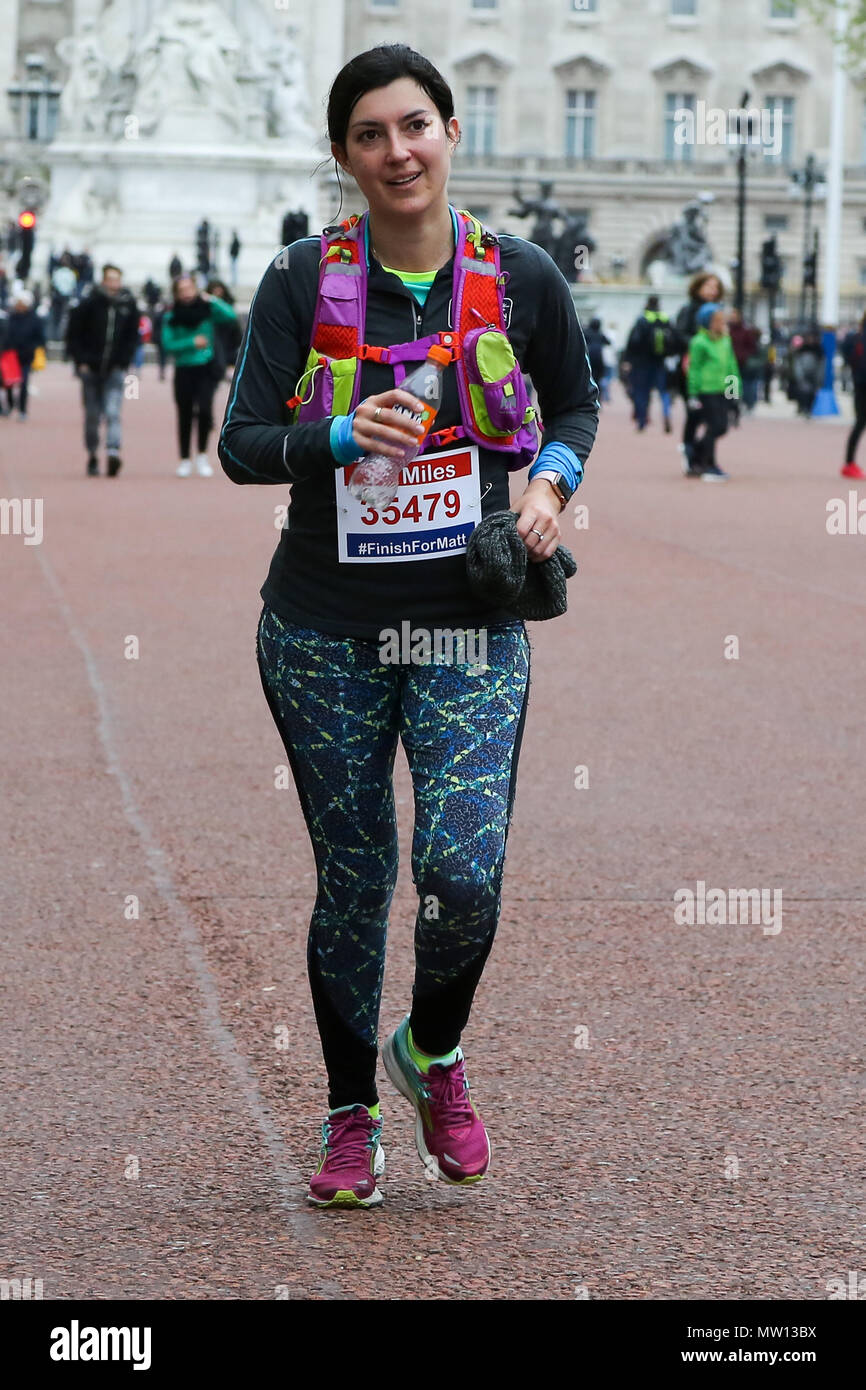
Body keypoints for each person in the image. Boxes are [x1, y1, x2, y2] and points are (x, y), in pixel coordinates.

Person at [218, 43, 599, 1209]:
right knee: (355, 876)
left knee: (462, 869)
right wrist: (334, 438)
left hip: (465, 625)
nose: (399, 150)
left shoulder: (521, 274)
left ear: (448, 133)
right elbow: (240, 446)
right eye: (372, 133)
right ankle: (348, 1113)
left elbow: (574, 403)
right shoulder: (297, 278)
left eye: (417, 124)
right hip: (324, 628)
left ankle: (430, 1050)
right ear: (343, 155)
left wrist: (545, 485)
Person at [66, 262, 140, 477]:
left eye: (117, 279)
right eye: (110, 279)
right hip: (90, 369)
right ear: (103, 281)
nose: (114, 284)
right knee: (92, 416)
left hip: (115, 369)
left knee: (113, 411)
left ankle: (113, 450)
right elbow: (73, 334)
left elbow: (132, 337)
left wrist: (124, 361)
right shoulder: (88, 304)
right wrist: (81, 361)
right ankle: (92, 454)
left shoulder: (128, 305)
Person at [162, 274, 238, 476]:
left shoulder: (207, 309)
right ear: (176, 294)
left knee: (205, 410)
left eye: (189, 288)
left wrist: (211, 299)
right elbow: (168, 344)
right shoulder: (171, 316)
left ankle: (203, 454)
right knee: (185, 413)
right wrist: (191, 343)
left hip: (205, 367)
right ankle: (185, 458)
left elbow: (230, 316)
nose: (186, 293)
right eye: (182, 290)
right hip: (184, 368)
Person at [675, 270, 725, 468]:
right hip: (692, 369)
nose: (712, 291)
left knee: (714, 419)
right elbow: (678, 335)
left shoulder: (718, 310)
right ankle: (690, 450)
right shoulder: (689, 310)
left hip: (713, 374)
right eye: (708, 286)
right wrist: (700, 344)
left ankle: (699, 452)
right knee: (695, 414)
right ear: (698, 287)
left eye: (715, 287)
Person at [685, 302, 741, 481]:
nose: (721, 322)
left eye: (721, 319)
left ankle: (696, 454)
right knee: (714, 426)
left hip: (723, 389)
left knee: (722, 427)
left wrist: (733, 392)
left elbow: (732, 367)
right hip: (706, 390)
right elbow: (694, 369)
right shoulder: (699, 342)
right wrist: (693, 394)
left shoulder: (726, 340)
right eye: (716, 319)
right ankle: (709, 465)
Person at [623, 295, 678, 432]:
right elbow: (675, 339)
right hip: (660, 362)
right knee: (663, 391)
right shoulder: (665, 319)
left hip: (642, 362)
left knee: (642, 392)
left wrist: (628, 359)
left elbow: (633, 341)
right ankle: (666, 413)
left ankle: (642, 421)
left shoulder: (642, 319)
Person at [0, 289, 45, 420]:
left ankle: (22, 409)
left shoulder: (34, 319)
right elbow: (6, 335)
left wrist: (34, 347)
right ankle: (9, 404)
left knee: (24, 382)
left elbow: (40, 337)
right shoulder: (11, 318)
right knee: (8, 382)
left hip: (26, 355)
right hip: (11, 355)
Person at [840, 311, 866, 479]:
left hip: (859, 382)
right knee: (860, 423)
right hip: (862, 383)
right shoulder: (858, 338)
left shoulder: (855, 337)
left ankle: (849, 463)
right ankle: (849, 463)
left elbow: (845, 352)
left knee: (860, 423)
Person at [727, 308, 761, 418]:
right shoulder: (726, 331)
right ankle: (731, 405)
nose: (733, 319)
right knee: (732, 384)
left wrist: (744, 356)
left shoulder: (745, 331)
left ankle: (748, 404)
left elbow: (752, 347)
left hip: (743, 363)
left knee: (747, 385)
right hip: (730, 362)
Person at [205, 277, 243, 371]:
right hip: (214, 333)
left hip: (228, 334)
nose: (218, 292)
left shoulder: (224, 302)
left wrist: (214, 300)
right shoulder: (207, 303)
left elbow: (231, 315)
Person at [583, 316, 611, 403]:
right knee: (598, 381)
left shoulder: (586, 332)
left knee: (587, 380)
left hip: (588, 360)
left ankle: (588, 399)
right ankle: (598, 399)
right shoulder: (600, 334)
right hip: (599, 360)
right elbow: (608, 342)